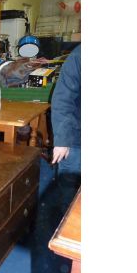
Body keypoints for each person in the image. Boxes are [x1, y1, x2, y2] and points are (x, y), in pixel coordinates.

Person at [51, 44, 81, 210]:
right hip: (77, 138)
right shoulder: (79, 56)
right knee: (68, 193)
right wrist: (62, 141)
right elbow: (63, 99)